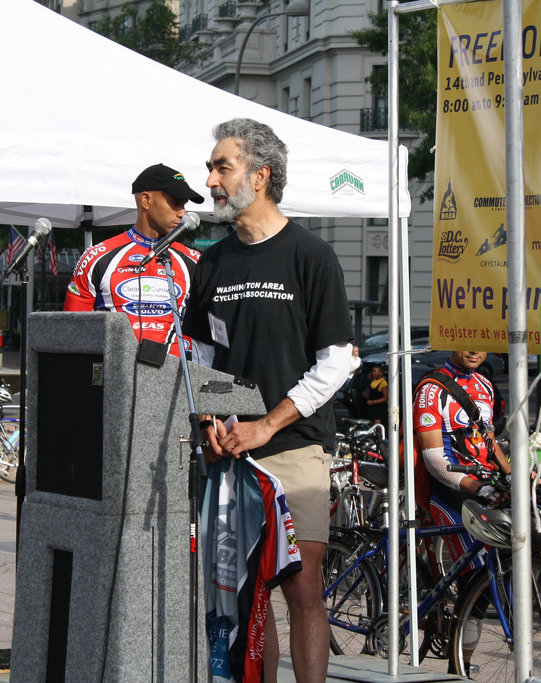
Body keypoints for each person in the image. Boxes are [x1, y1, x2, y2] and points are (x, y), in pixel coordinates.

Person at [181, 118, 354, 683]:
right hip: (231, 451)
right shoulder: (212, 261)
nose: (209, 180)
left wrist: (267, 425)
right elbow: (201, 355)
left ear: (260, 176)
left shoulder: (311, 255)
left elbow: (336, 362)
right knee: (249, 592)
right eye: (211, 167)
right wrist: (209, 421)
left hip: (295, 446)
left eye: (220, 167)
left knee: (301, 586)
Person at [64, 163, 204, 357]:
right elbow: (70, 333)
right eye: (175, 202)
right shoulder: (96, 257)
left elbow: (209, 335)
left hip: (178, 380)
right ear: (146, 200)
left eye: (184, 205)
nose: (182, 212)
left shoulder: (194, 261)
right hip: (116, 377)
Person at [413, 351, 511, 568]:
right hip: (451, 487)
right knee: (477, 575)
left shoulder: (485, 385)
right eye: (466, 343)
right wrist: (477, 488)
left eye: (480, 344)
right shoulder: (431, 390)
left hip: (486, 485)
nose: (474, 350)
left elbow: (490, 443)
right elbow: (434, 460)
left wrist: (512, 475)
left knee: (507, 562)